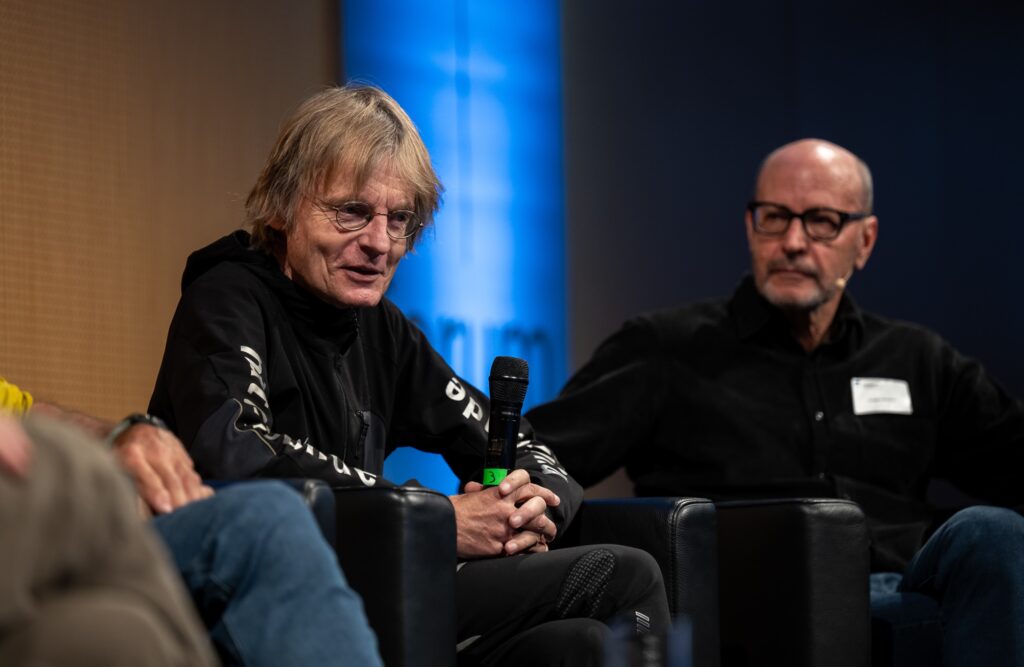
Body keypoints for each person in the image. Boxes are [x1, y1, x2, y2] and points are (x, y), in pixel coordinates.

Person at [148, 83, 670, 666]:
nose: (378, 242)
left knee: (575, 646)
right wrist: (434, 519)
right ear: (281, 206)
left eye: (398, 219)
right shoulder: (226, 298)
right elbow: (238, 452)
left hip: (377, 579)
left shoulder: (382, 329)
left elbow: (527, 449)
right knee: (628, 575)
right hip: (269, 597)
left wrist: (525, 512)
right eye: (351, 212)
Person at [526, 138, 1024, 664]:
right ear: (749, 225)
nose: (792, 241)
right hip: (739, 598)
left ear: (865, 241)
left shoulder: (918, 359)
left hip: (900, 588)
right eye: (774, 217)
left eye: (822, 221)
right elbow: (539, 455)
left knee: (991, 534)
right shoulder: (666, 348)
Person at [0, 376, 383, 666]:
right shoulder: (226, 299)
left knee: (261, 520)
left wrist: (124, 434)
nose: (376, 263)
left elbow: (26, 416)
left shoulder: (387, 332)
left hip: (62, 524)